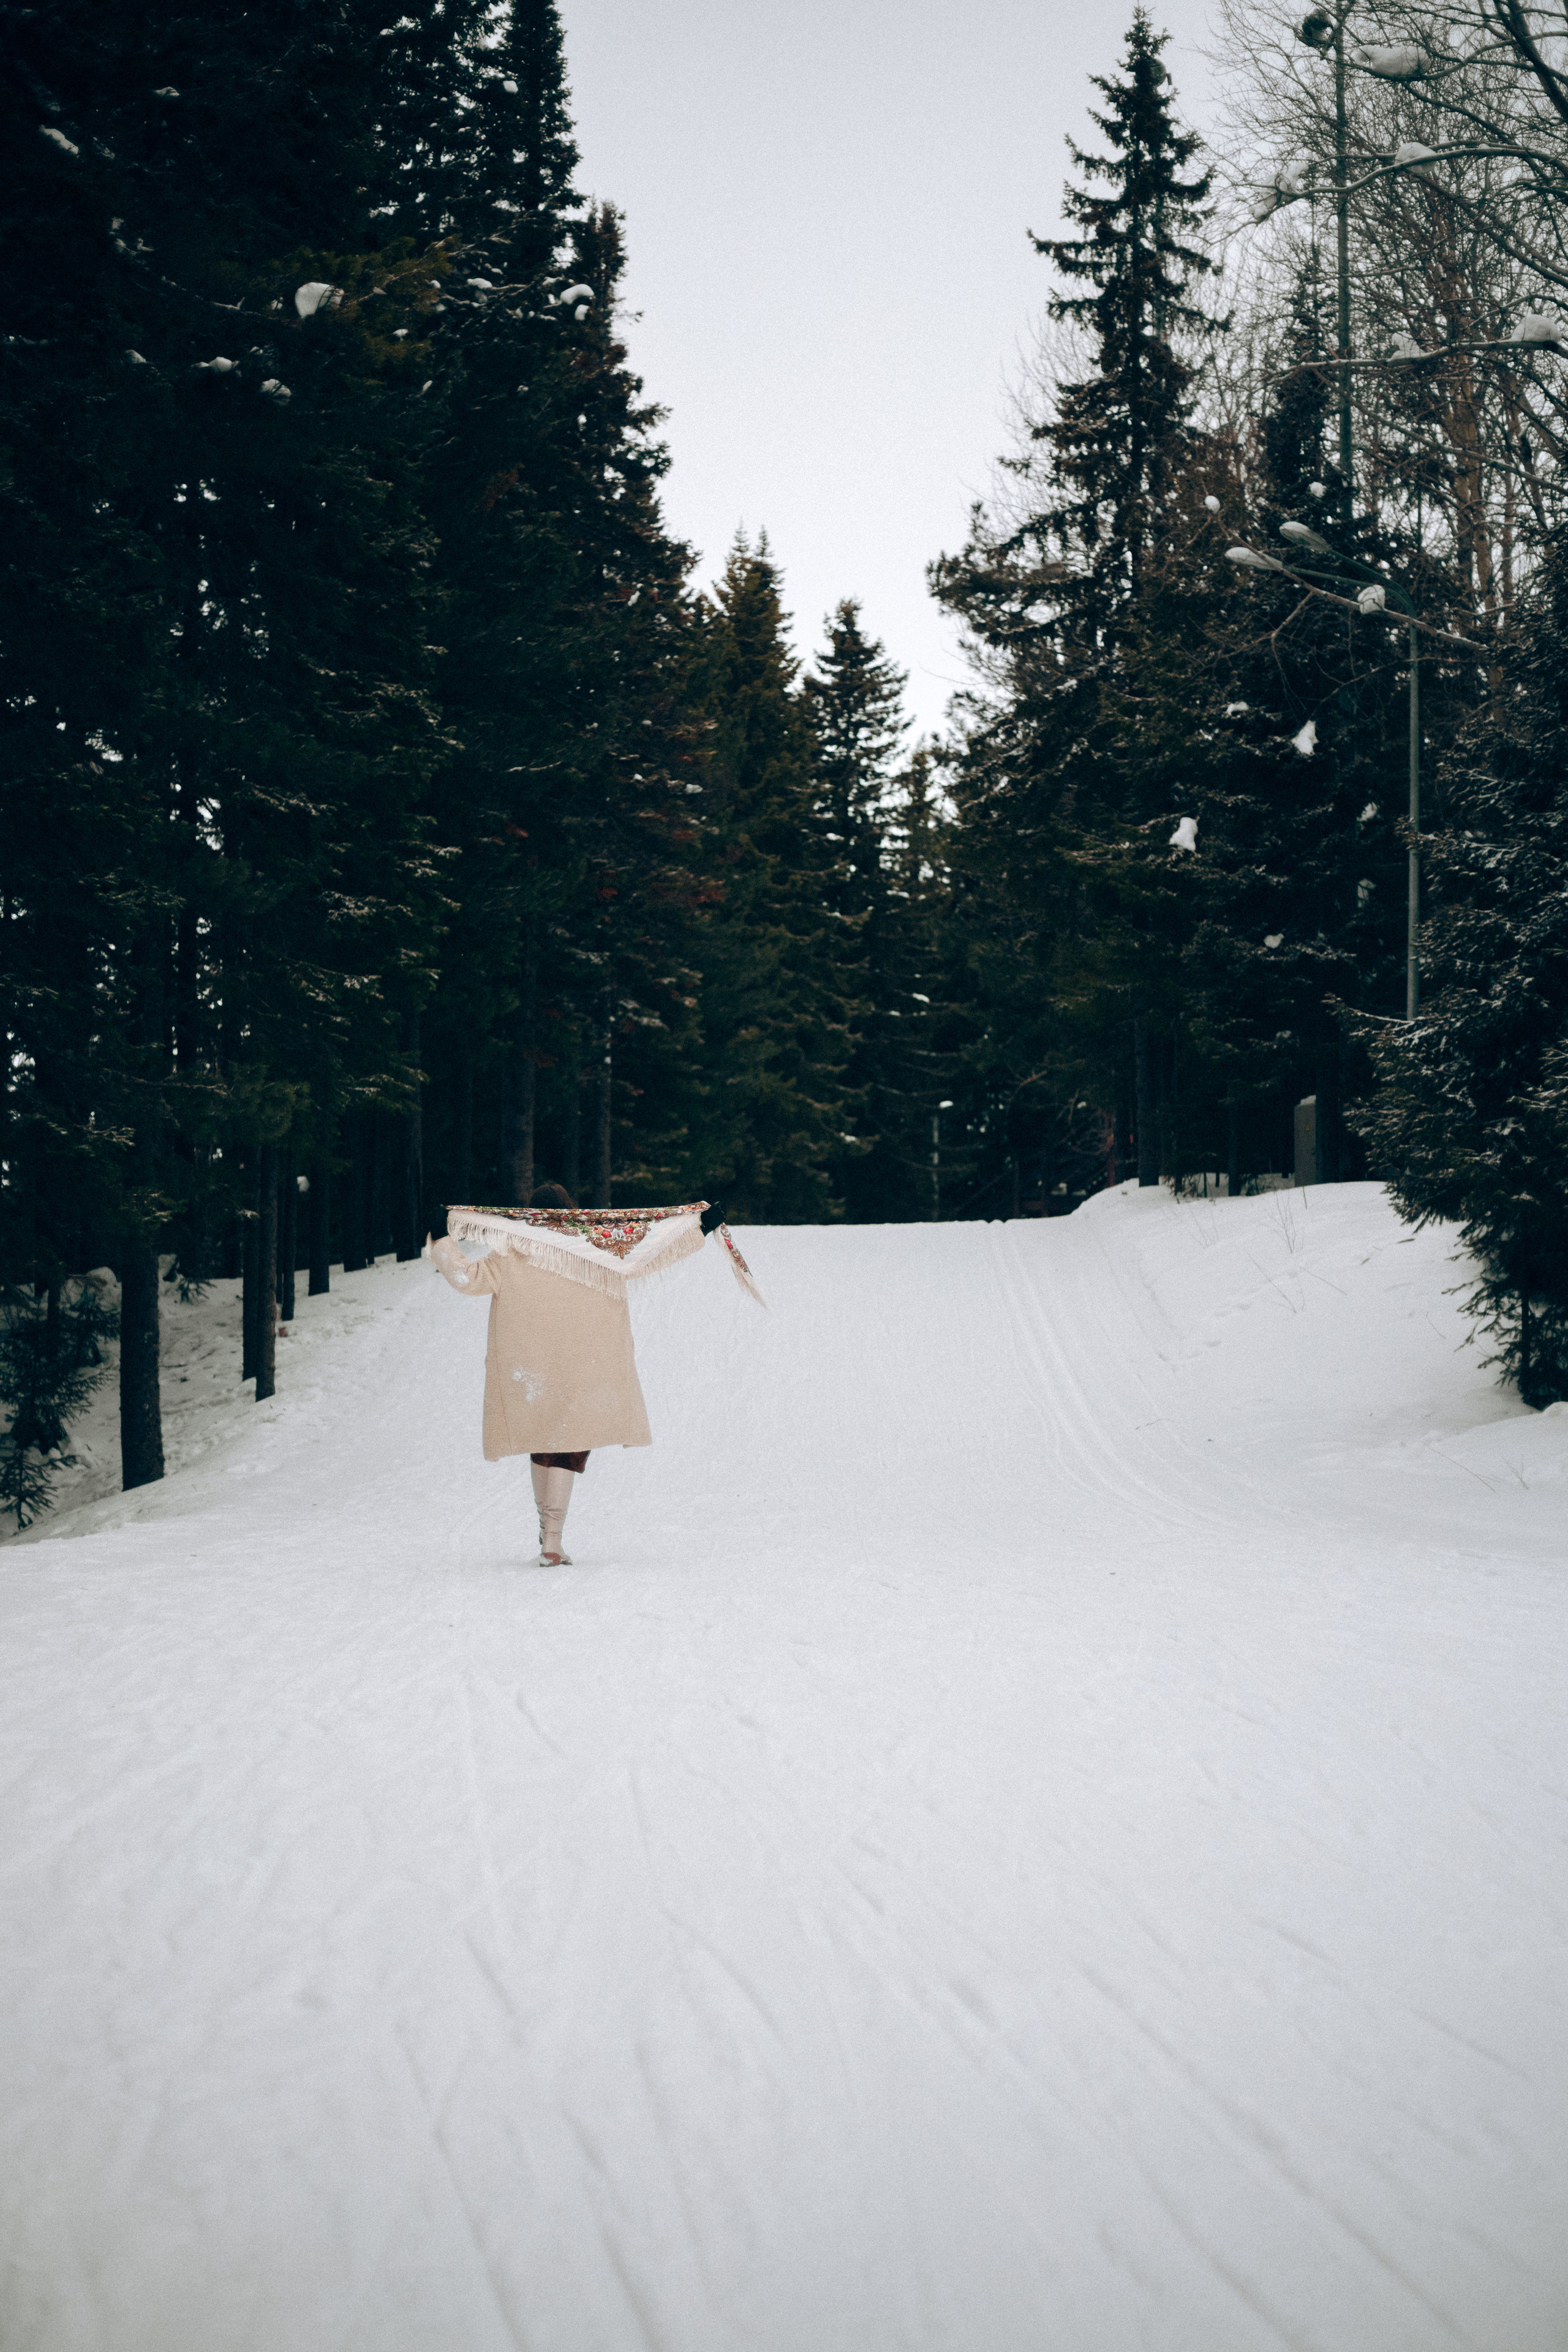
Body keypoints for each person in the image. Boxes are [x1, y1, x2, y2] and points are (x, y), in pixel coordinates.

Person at [429, 1182, 651, 1565]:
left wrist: (440, 1238)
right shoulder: (596, 1255)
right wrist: (700, 1227)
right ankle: (552, 1539)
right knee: (570, 1445)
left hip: (533, 1370)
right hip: (585, 1365)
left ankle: (547, 1538)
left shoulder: (512, 1256)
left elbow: (465, 1278)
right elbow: (649, 1252)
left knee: (543, 1440)